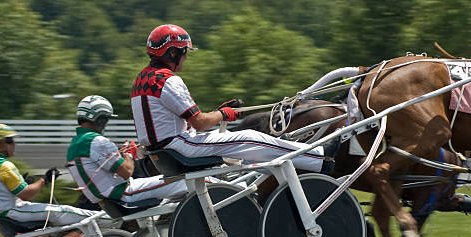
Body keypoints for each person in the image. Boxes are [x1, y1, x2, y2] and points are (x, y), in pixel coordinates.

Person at [130, 24, 339, 172]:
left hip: (165, 152)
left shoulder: (141, 80)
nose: (185, 57)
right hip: (180, 147)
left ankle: (289, 154)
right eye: (184, 52)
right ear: (173, 53)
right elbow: (200, 123)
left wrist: (217, 113)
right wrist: (222, 114)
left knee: (250, 148)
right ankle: (320, 158)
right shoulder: (167, 80)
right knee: (251, 138)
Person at [0, 123, 109, 227]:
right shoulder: (2, 165)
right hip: (12, 214)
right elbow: (26, 194)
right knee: (63, 211)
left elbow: (1, 194)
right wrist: (44, 180)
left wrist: (29, 183)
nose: (14, 144)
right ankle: (111, 220)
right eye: (9, 141)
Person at [66, 95, 189, 207]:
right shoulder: (96, 141)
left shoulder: (75, 143)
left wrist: (122, 156)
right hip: (125, 193)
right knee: (186, 181)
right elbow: (127, 171)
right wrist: (129, 155)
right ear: (100, 119)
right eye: (106, 119)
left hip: (107, 198)